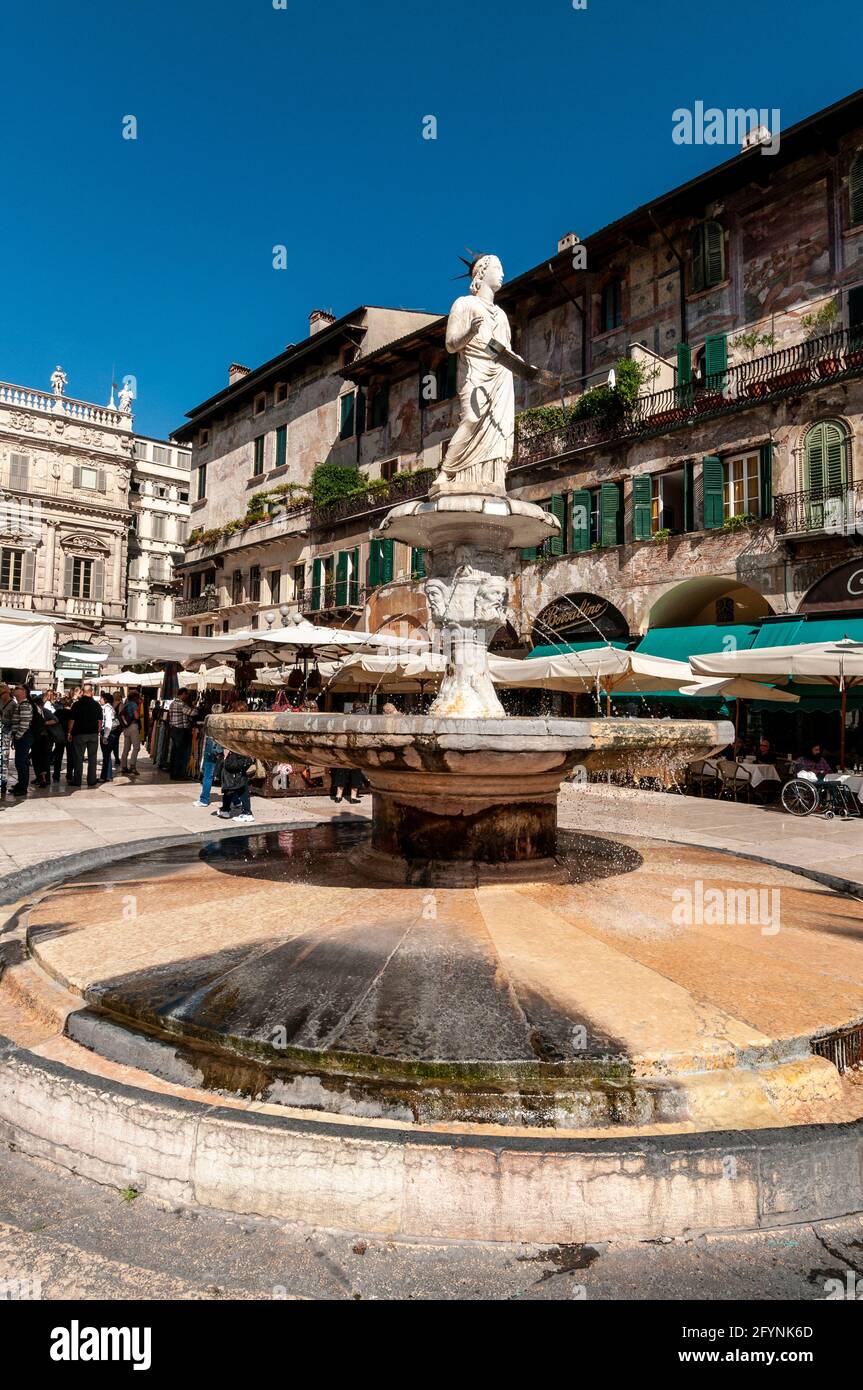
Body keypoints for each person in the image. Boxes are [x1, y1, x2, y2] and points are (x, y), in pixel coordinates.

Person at [67, 683, 102, 788]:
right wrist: (98, 732)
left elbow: (72, 720)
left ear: (82, 692)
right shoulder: (97, 705)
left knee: (78, 758)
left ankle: (77, 780)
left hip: (79, 734)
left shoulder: (76, 705)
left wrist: (69, 732)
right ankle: (91, 780)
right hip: (93, 734)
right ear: (91, 692)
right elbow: (100, 722)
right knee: (92, 758)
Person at [194, 707, 224, 808]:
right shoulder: (224, 721)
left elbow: (205, 732)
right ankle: (236, 801)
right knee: (226, 776)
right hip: (221, 749)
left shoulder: (208, 719)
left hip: (211, 749)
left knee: (208, 776)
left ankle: (204, 799)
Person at [7, 684, 34, 796]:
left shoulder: (25, 705)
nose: (14, 690)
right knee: (20, 762)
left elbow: (24, 723)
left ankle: (23, 787)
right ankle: (21, 784)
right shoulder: (21, 704)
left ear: (24, 692)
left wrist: (17, 736)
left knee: (21, 762)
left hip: (24, 736)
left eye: (17, 688)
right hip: (21, 736)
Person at [216, 750, 255, 823]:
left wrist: (225, 757)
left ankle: (247, 813)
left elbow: (232, 765)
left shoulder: (237, 751)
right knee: (229, 789)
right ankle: (225, 809)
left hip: (237, 771)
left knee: (241, 789)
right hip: (235, 771)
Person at [168, 690, 195, 780]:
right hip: (180, 731)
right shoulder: (181, 704)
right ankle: (178, 774)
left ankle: (173, 772)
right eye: (186, 694)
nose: (187, 696)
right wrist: (195, 707)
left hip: (174, 729)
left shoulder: (172, 703)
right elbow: (193, 713)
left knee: (174, 752)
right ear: (183, 694)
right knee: (179, 753)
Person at [28, 693, 53, 789]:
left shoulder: (42, 711)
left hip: (40, 737)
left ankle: (43, 779)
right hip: (42, 737)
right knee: (40, 759)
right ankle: (42, 778)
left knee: (39, 759)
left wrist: (44, 723)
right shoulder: (41, 711)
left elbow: (55, 720)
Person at [42, 689, 66, 782]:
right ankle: (55, 776)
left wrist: (45, 723)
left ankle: (48, 777)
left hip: (50, 731)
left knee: (48, 754)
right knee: (57, 754)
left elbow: (53, 718)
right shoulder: (54, 705)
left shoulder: (49, 705)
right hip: (57, 732)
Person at [119, 689, 142, 775]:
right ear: (135, 697)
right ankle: (132, 766)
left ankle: (123, 766)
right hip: (133, 726)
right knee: (136, 747)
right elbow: (136, 716)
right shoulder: (134, 704)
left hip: (126, 728)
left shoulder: (126, 704)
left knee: (126, 748)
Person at [99, 691, 117, 782]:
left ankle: (105, 776)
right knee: (107, 755)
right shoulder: (110, 708)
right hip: (109, 734)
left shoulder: (107, 708)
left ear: (105, 699)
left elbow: (108, 723)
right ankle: (108, 775)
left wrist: (105, 736)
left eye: (101, 698)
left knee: (106, 755)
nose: (100, 699)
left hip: (108, 734)